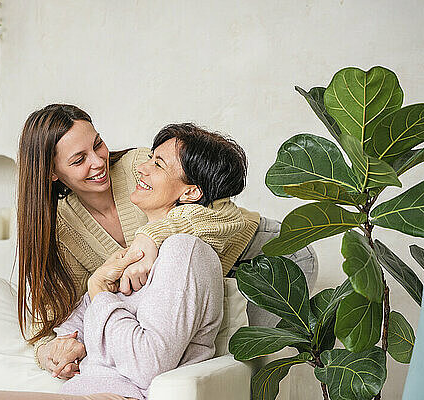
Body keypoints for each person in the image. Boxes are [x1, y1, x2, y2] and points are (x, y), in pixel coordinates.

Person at [0, 122, 247, 400]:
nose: (142, 166)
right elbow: (71, 322)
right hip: (85, 389)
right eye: (79, 159)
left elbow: (148, 362)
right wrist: (62, 344)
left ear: (190, 192)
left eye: (157, 164)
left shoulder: (183, 251)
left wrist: (101, 291)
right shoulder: (105, 253)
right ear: (53, 173)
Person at [15, 105, 261, 371]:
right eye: (79, 160)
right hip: (196, 286)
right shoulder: (61, 229)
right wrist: (50, 353)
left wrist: (151, 236)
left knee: (259, 370)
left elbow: (226, 214)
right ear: (51, 173)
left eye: (98, 145)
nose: (98, 162)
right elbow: (59, 313)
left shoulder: (140, 167)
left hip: (256, 250)